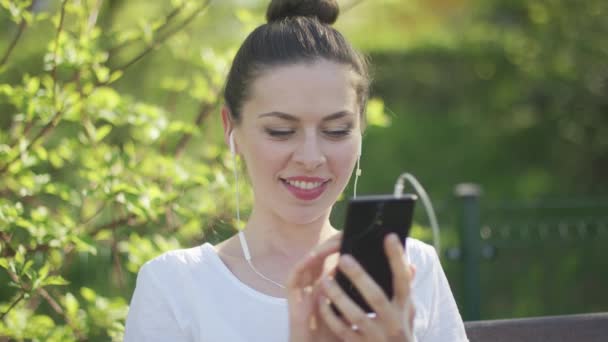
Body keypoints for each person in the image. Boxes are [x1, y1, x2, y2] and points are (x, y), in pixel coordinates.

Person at [124, 0, 469, 341]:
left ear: (361, 128)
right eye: (280, 131)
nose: (311, 157)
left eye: (336, 131)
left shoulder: (409, 270)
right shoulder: (175, 286)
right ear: (231, 128)